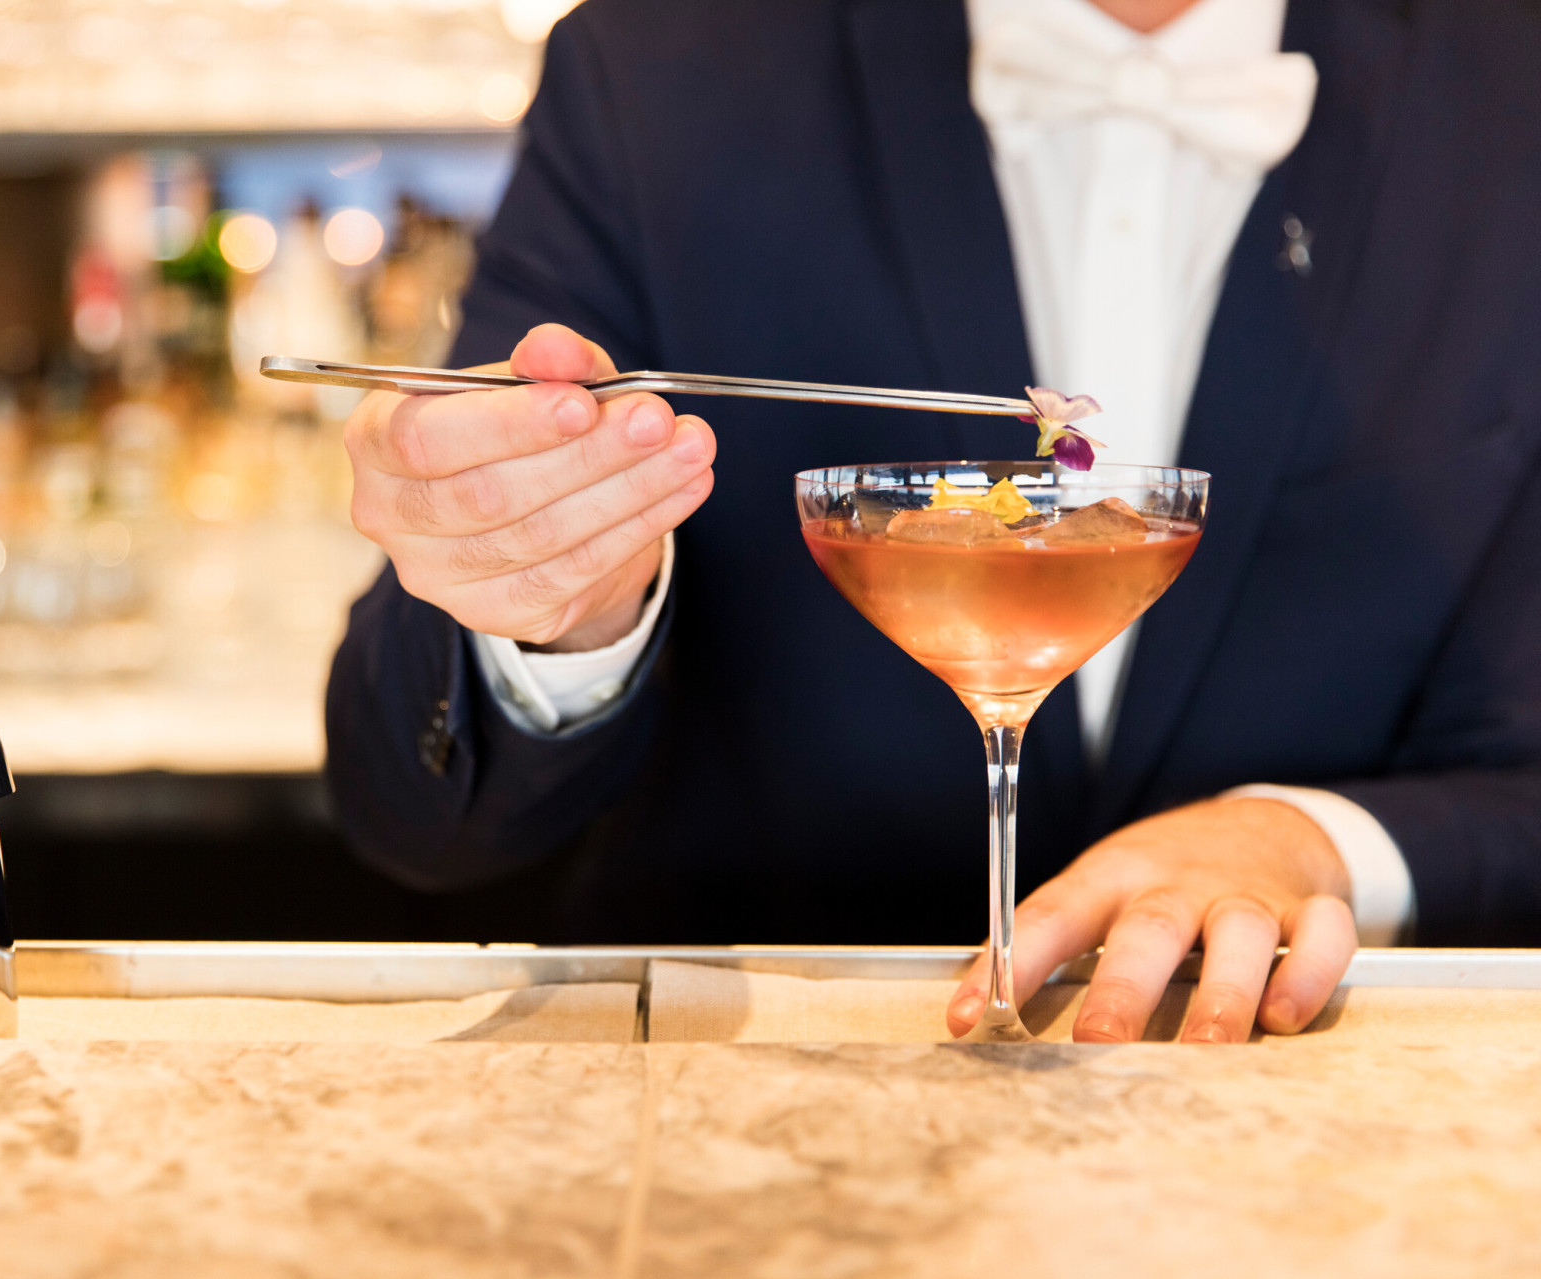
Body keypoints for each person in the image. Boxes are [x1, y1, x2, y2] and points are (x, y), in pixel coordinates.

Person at [325, 0, 1541, 1043]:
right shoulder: (659, 72)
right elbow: (414, 809)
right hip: (753, 1137)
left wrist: (1317, 843)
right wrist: (551, 595)